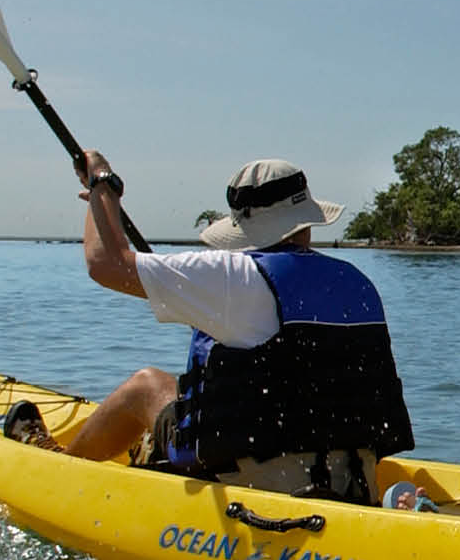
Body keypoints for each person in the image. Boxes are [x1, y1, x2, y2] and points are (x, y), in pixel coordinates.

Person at [40, 153, 415, 501]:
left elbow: (107, 264)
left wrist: (102, 187)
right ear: (305, 223)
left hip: (260, 485)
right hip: (352, 479)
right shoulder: (357, 281)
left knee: (146, 386)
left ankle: (56, 475)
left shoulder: (234, 275)